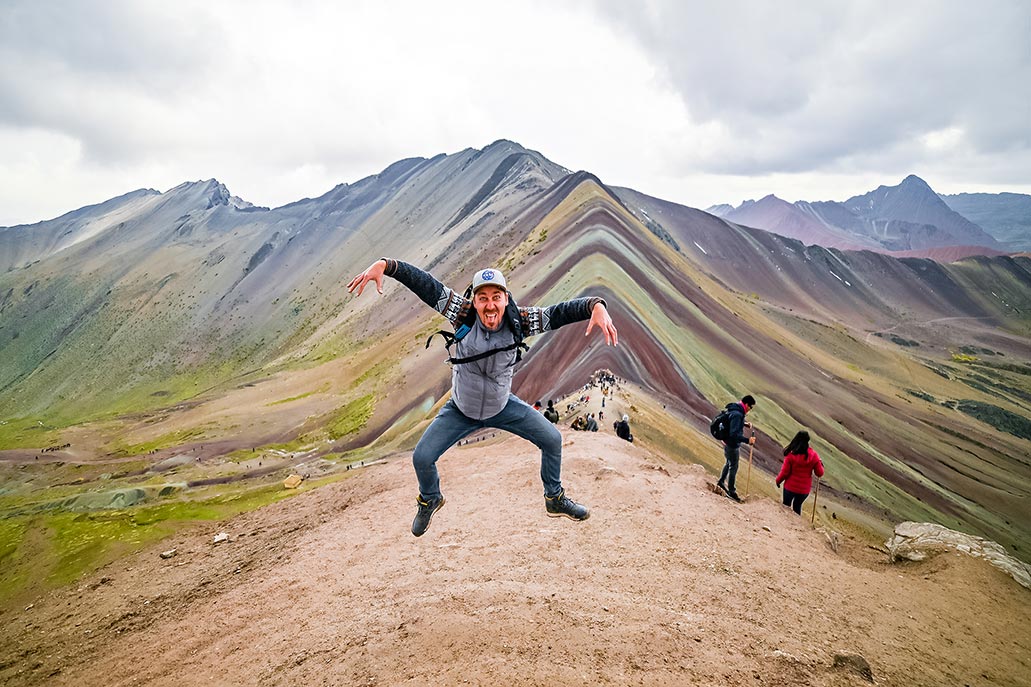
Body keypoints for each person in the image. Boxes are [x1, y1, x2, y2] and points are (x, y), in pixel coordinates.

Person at [347, 258, 618, 536]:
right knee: (422, 457)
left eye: (496, 297)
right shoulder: (462, 315)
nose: (490, 305)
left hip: (502, 407)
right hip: (460, 410)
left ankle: (554, 498)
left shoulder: (519, 322)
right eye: (483, 298)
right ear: (474, 301)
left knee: (552, 440)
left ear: (506, 299)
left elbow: (559, 312)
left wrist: (595, 305)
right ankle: (430, 498)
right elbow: (426, 285)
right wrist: (387, 266)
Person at [715, 395, 756, 503]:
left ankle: (721, 482)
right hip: (731, 444)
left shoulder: (736, 408)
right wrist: (748, 440)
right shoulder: (738, 414)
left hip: (727, 441)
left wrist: (744, 424)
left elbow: (733, 422)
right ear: (747, 404)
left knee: (729, 462)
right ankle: (731, 492)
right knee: (733, 466)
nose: (750, 410)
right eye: (750, 407)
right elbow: (734, 434)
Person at [775, 431, 824, 515]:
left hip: (789, 488)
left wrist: (778, 481)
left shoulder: (791, 455)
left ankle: (784, 525)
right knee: (797, 507)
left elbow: (785, 472)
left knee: (785, 507)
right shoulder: (814, 456)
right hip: (804, 490)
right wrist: (820, 464)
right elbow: (819, 473)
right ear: (808, 441)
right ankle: (796, 526)